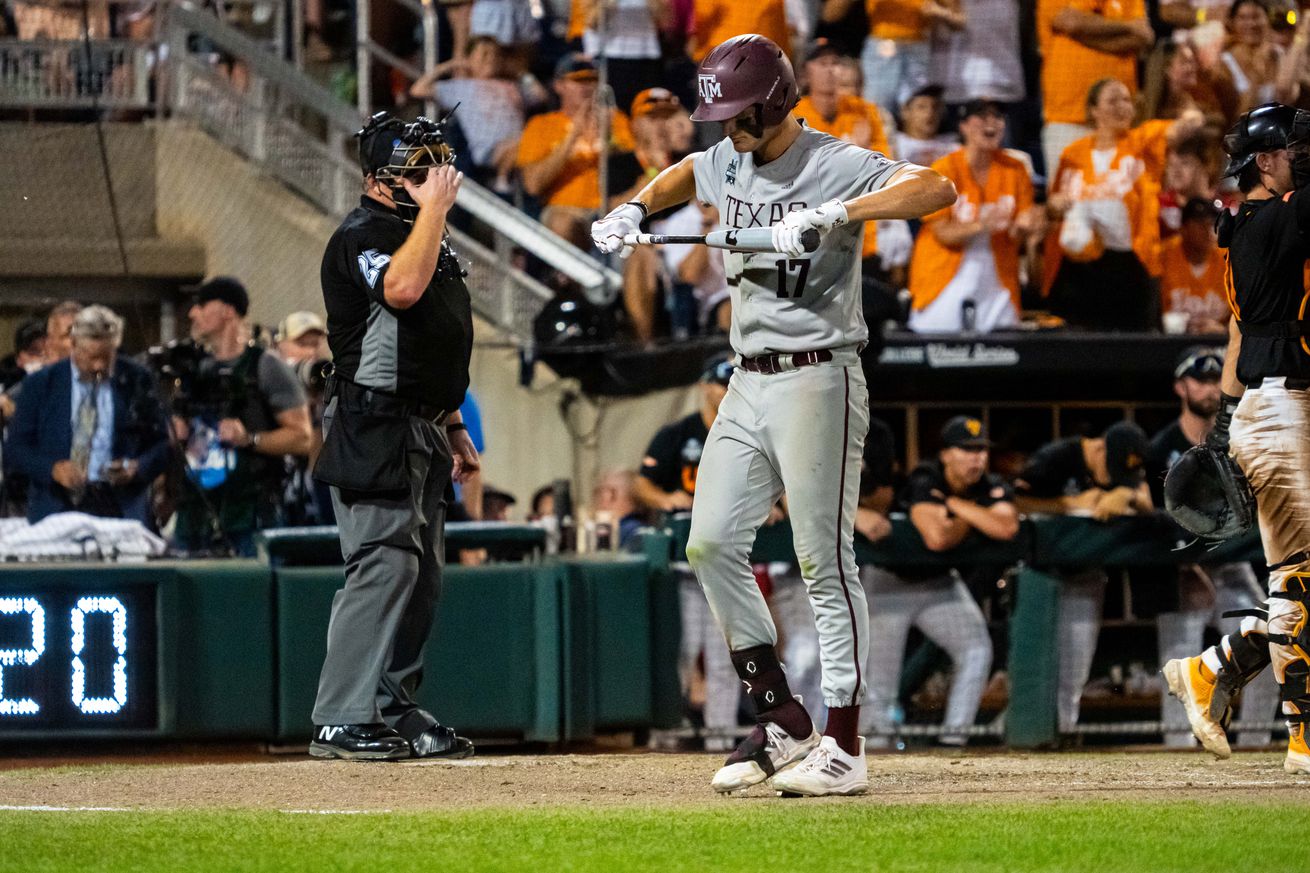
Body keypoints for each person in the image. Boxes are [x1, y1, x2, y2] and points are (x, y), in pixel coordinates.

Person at [592, 33, 956, 796]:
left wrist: (837, 213)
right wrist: (632, 205)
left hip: (819, 375)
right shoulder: (724, 153)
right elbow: (688, 172)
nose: (727, 128)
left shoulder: (832, 158)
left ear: (777, 101)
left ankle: (847, 743)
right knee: (710, 541)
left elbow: (937, 189)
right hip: (746, 380)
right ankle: (783, 715)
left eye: (738, 114)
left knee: (823, 559)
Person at [307, 111, 479, 762]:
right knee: (383, 563)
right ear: (380, 180)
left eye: (436, 165)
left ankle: (388, 706)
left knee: (421, 574)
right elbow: (401, 291)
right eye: (417, 169)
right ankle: (340, 714)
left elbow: (430, 345)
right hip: (372, 423)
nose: (433, 178)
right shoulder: (364, 233)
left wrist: (454, 423)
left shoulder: (419, 233)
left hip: (422, 427)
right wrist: (433, 210)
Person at [1161, 102, 1310, 775]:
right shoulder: (1270, 218)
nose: (1300, 158)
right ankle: (1304, 735)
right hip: (1280, 405)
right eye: (1291, 150)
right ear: (1265, 158)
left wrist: (1222, 425)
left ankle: (1212, 666)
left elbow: (1236, 331)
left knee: (1298, 581)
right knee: (1298, 579)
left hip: (1273, 403)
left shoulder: (1265, 223)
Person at [1146, 346, 1280, 749]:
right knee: (1176, 663)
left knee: (1269, 644)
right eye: (1199, 380)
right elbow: (1153, 520)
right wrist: (1190, 566)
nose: (1208, 388)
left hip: (1232, 564)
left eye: (1213, 379)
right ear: (1180, 386)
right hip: (1179, 570)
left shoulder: (1235, 442)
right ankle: (1178, 749)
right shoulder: (1162, 447)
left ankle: (1256, 741)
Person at [863, 416, 1016, 747]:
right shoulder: (925, 478)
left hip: (938, 584)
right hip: (889, 583)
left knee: (976, 649)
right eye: (966, 450)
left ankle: (953, 740)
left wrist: (957, 506)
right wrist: (975, 516)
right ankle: (874, 753)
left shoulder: (986, 484)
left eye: (980, 450)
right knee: (880, 681)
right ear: (945, 454)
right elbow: (937, 537)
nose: (976, 458)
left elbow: (1007, 527)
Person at [1014, 420, 1153, 734]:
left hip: (1086, 576)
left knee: (1075, 670)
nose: (1115, 477)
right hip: (1040, 578)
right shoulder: (1057, 458)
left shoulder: (1121, 456)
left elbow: (1146, 499)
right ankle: (1023, 736)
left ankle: (1063, 733)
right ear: (1100, 448)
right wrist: (1069, 505)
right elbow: (1015, 502)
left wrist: (1126, 494)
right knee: (1034, 669)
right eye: (1113, 471)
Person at [634, 355, 740, 749]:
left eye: (733, 383)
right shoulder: (680, 433)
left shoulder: (748, 433)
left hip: (728, 563)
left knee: (727, 653)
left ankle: (722, 736)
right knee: (682, 650)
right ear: (704, 386)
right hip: (684, 567)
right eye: (721, 383)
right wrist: (666, 497)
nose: (727, 390)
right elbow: (642, 484)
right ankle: (669, 732)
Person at [171, 278, 314, 556]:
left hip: (250, 514)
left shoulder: (265, 366)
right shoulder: (192, 371)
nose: (192, 313)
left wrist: (248, 439)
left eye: (201, 305)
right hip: (196, 515)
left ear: (227, 310)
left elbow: (302, 438)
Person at [4, 305, 169, 527]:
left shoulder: (138, 379)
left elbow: (161, 443)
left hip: (120, 508)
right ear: (73, 345)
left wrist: (136, 467)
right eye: (91, 357)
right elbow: (16, 448)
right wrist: (52, 469)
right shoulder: (41, 384)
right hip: (56, 508)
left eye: (106, 357)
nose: (98, 365)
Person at [907, 98, 1042, 333]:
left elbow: (1020, 227)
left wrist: (1028, 226)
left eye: (997, 117)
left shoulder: (1015, 169)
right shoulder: (943, 170)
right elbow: (943, 233)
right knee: (939, 336)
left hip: (997, 275)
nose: (991, 123)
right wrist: (982, 225)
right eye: (982, 117)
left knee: (1003, 339)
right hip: (946, 272)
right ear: (964, 126)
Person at [1044, 78, 1160, 332]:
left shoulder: (1143, 144)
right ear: (1093, 110)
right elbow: (1053, 209)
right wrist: (1054, 205)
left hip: (1130, 265)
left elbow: (1181, 129)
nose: (1121, 106)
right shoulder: (1073, 154)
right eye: (1112, 100)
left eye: (1126, 100)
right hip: (1080, 269)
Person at [516, 53, 635, 250]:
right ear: (559, 85)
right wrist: (573, 135)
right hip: (566, 209)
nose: (587, 87)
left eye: (592, 80)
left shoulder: (617, 120)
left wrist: (608, 136)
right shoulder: (542, 125)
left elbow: (635, 167)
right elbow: (533, 184)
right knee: (562, 224)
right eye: (578, 80)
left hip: (612, 209)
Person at [1036, 0, 1153, 176]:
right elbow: (1070, 22)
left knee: (1120, 196)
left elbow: (1143, 36)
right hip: (1069, 117)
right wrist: (1128, 26)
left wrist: (1082, 33)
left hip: (1118, 122)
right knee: (1069, 198)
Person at [1159, 198, 1230, 334]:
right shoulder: (1163, 257)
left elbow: (1246, 318)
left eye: (1212, 224)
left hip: (1217, 343)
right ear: (1183, 229)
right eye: (1200, 224)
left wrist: (1224, 331)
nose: (1208, 230)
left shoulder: (1230, 261)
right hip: (1168, 342)